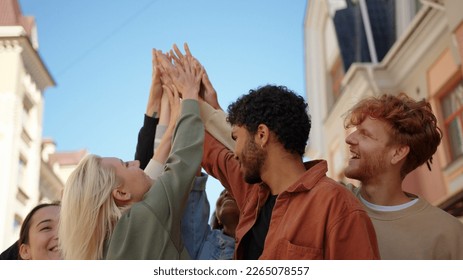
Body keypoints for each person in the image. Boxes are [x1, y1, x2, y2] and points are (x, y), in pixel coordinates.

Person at [200, 84, 380, 259]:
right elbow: (208, 152)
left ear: (262, 135)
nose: (236, 151)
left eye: (236, 138)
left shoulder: (336, 205)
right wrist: (190, 100)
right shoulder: (252, 195)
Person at [58, 44, 204, 259]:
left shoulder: (107, 248)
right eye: (126, 164)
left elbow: (155, 172)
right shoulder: (142, 217)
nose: (137, 163)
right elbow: (182, 165)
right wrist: (190, 94)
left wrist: (160, 107)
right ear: (121, 193)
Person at [135, 47, 237, 259]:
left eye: (230, 190)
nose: (226, 193)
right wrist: (181, 99)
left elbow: (245, 161)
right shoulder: (207, 243)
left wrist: (194, 101)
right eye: (224, 191)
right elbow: (179, 174)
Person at [343, 93, 463, 259]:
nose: (349, 139)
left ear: (398, 153)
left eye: (365, 134)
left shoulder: (449, 234)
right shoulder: (332, 202)